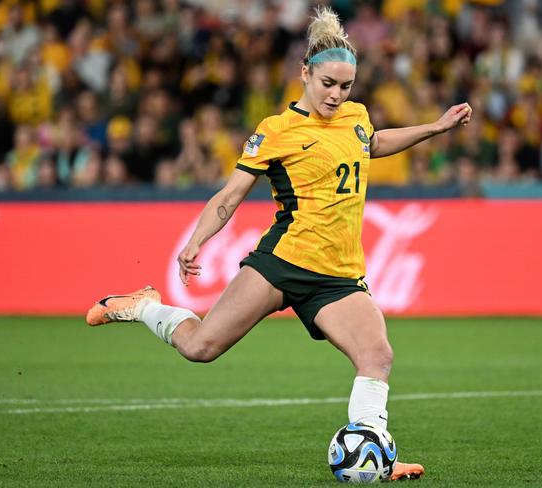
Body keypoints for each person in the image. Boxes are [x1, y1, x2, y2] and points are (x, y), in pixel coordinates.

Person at [86, 6, 472, 481]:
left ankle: (374, 454)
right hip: (282, 263)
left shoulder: (356, 117)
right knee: (201, 347)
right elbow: (230, 195)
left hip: (339, 276)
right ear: (305, 74)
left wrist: (434, 127)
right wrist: (196, 241)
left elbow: (372, 143)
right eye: (328, 83)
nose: (336, 94)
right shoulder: (276, 132)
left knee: (377, 356)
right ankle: (145, 306)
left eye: (345, 86)